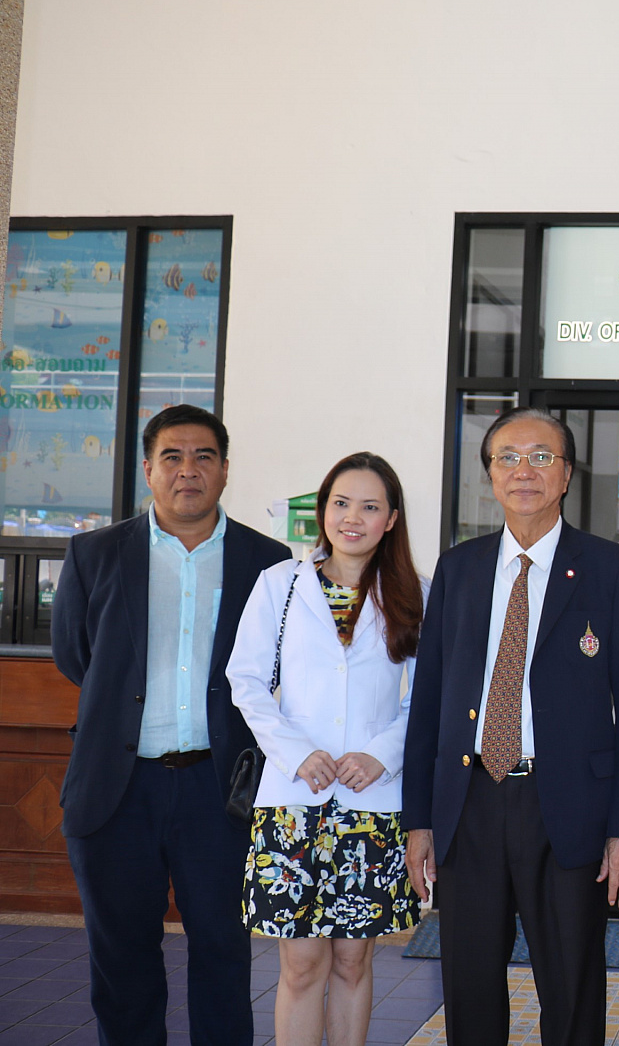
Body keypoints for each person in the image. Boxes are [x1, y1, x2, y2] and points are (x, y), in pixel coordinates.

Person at [402, 408, 619, 1046]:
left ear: (566, 474)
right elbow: (428, 703)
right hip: (470, 804)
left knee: (572, 988)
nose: (524, 471)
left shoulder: (610, 568)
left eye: (542, 457)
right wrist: (419, 820)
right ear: (490, 475)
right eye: (508, 458)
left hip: (567, 807)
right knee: (468, 984)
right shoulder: (458, 569)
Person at [51, 404, 291, 1046]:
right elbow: (76, 656)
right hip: (117, 788)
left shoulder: (267, 560)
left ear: (225, 469)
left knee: (223, 952)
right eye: (173, 457)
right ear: (148, 469)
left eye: (204, 457)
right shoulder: (95, 553)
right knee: (122, 958)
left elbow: (275, 664)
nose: (189, 470)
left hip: (222, 789)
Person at [229, 453, 425, 1046]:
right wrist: (295, 752)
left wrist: (382, 753)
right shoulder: (280, 585)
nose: (352, 518)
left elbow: (430, 696)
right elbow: (246, 681)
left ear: (391, 519)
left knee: (353, 961)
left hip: (373, 802)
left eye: (370, 507)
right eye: (341, 503)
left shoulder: (415, 593)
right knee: (301, 963)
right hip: (294, 800)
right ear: (322, 510)